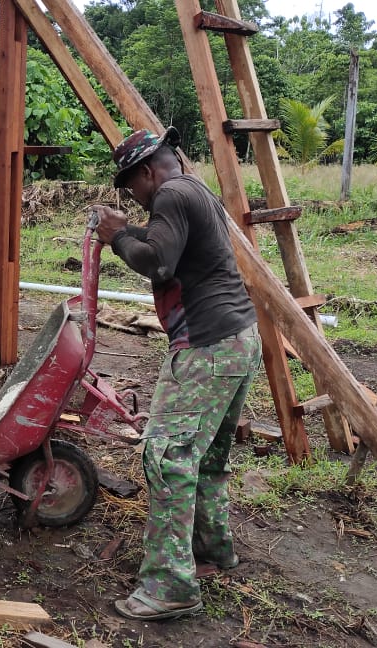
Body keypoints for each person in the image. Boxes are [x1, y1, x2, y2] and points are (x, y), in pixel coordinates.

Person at [90, 127, 262, 621]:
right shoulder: (193, 190)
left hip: (207, 349)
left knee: (166, 458)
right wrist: (129, 230)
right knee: (205, 459)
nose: (134, 197)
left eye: (130, 187)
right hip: (237, 341)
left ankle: (170, 587)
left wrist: (118, 235)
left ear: (147, 172)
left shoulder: (170, 193)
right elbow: (166, 243)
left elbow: (158, 263)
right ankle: (212, 549)